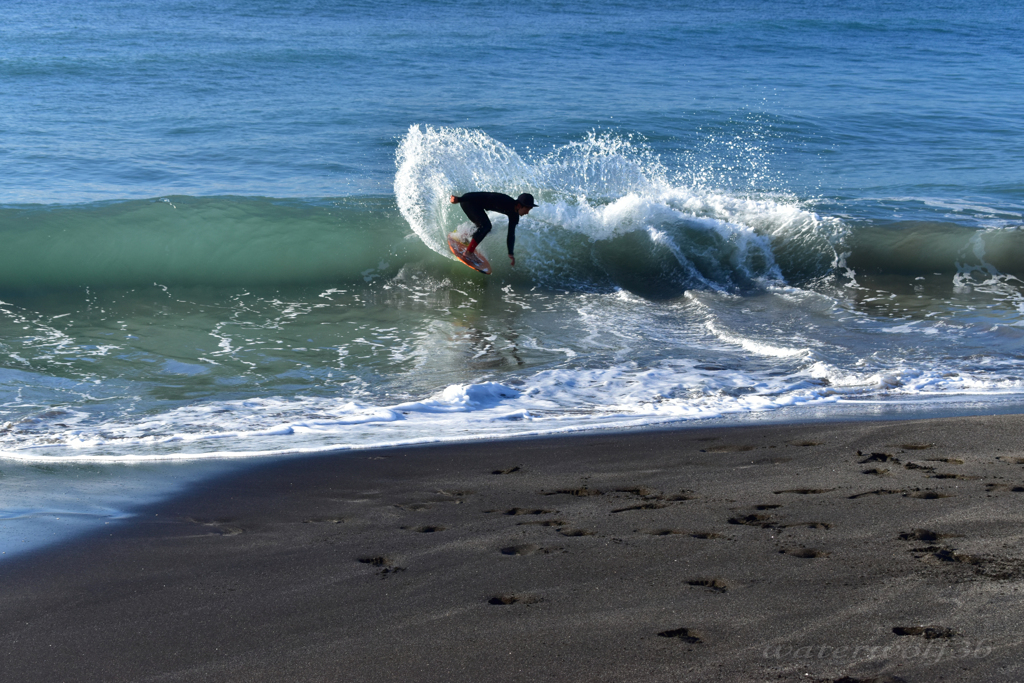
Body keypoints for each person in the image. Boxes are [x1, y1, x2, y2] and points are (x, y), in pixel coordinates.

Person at [449, 192, 538, 267]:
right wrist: (459, 199)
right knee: (486, 226)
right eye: (527, 209)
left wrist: (510, 253)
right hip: (468, 201)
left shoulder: (514, 215)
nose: (527, 212)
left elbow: (511, 234)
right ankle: (469, 253)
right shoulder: (505, 201)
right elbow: (483, 195)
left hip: (476, 206)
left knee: (483, 226)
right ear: (519, 205)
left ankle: (462, 235)